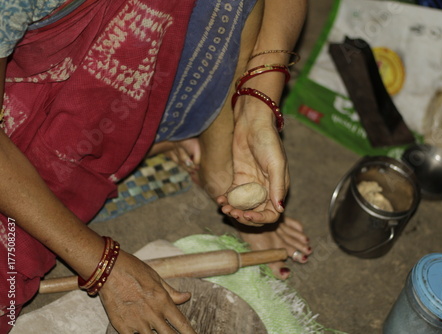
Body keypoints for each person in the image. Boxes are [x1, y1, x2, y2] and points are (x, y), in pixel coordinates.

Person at [0, 0, 310, 333]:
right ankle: (142, 133)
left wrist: (257, 101)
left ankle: (214, 149)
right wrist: (103, 264)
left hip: (145, 55)